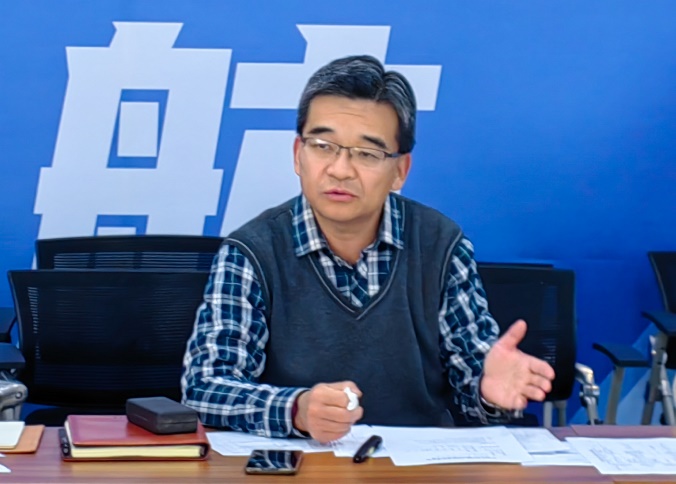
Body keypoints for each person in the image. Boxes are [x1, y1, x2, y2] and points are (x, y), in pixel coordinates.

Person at [181, 55, 555, 444]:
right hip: (299, 461)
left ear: (400, 171)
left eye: (367, 153)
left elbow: (473, 392)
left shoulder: (441, 245)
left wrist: (486, 393)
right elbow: (205, 387)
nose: (340, 169)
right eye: (323, 146)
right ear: (297, 154)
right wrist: (296, 410)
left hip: (420, 465)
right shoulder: (252, 252)